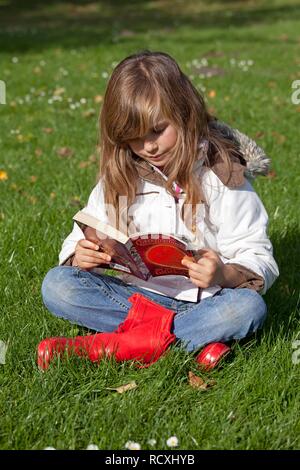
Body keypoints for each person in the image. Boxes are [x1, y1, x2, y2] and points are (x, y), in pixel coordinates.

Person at [39, 50, 279, 370]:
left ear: (183, 112)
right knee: (57, 285)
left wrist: (223, 273)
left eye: (156, 130)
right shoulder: (122, 174)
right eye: (134, 139)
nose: (148, 147)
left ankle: (120, 345)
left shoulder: (221, 175)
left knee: (246, 309)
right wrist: (80, 256)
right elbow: (83, 233)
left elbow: (259, 257)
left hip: (206, 302)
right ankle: (188, 342)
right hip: (135, 300)